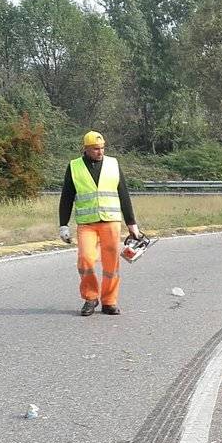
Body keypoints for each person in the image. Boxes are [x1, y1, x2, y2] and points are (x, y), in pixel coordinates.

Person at [58, 131, 141, 316]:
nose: (100, 152)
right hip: (87, 223)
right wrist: (63, 225)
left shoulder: (113, 164)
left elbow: (123, 194)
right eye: (96, 149)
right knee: (86, 259)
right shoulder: (74, 167)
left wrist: (131, 223)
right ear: (86, 149)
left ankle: (109, 301)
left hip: (111, 221)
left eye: (102, 148)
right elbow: (66, 198)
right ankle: (90, 297)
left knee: (111, 264)